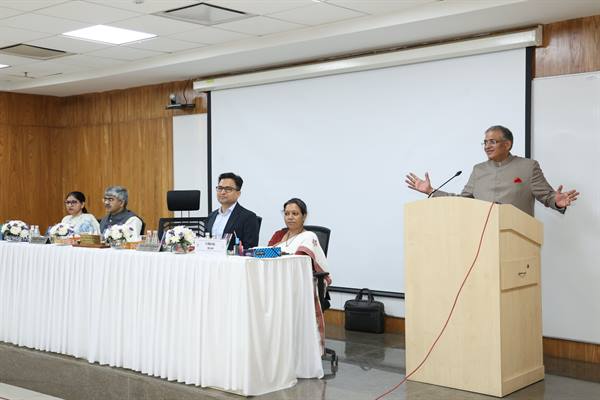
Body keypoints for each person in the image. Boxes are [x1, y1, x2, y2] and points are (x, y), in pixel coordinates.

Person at [405, 125, 579, 216]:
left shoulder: (528, 167)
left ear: (507, 144)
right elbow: (463, 201)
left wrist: (557, 201)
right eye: (485, 142)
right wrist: (431, 191)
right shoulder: (478, 170)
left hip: (517, 237)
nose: (487, 146)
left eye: (492, 142)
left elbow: (547, 196)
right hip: (482, 237)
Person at [268, 198, 331, 352]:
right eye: (287, 214)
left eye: (295, 214)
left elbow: (300, 262)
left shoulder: (309, 236)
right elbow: (267, 255)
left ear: (304, 216)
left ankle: (295, 349)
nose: (290, 217)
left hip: (301, 284)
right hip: (277, 280)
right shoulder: (278, 235)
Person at [205, 172, 259, 249]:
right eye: (220, 188)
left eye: (228, 189)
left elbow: (250, 248)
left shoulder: (248, 217)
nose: (222, 192)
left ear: (238, 193)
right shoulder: (211, 216)